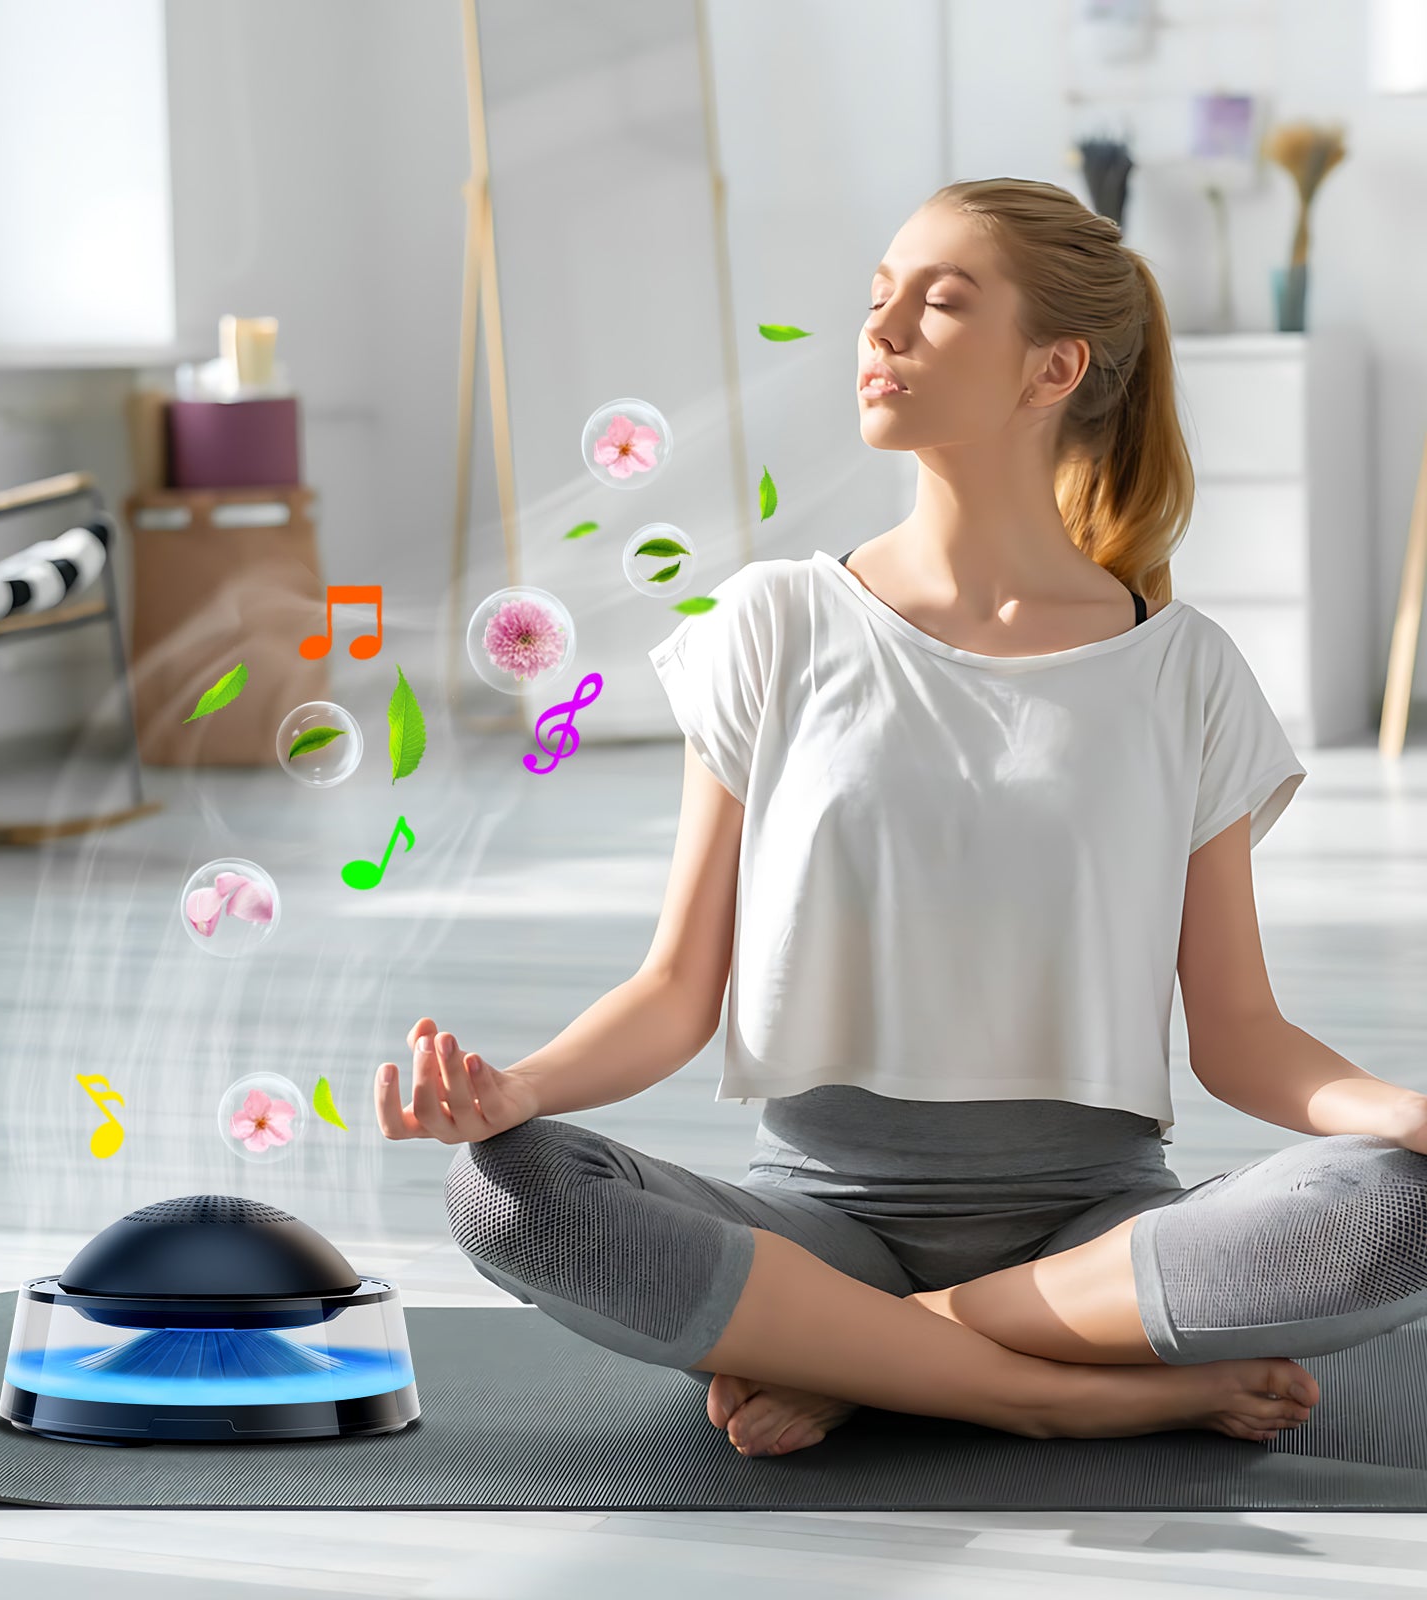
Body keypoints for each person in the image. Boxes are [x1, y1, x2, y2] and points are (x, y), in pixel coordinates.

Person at [375, 178, 1427, 1459]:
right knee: (506, 1194)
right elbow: (671, 989)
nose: (881, 331)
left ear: (1055, 368)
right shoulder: (773, 622)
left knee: (1401, 1204)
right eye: (877, 300)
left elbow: (1242, 1037)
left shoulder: (1183, 669)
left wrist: (1399, 1111)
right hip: (813, 1221)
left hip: (1090, 1238)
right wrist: (512, 1091)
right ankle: (1046, 1390)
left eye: (937, 305)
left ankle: (878, 1348)